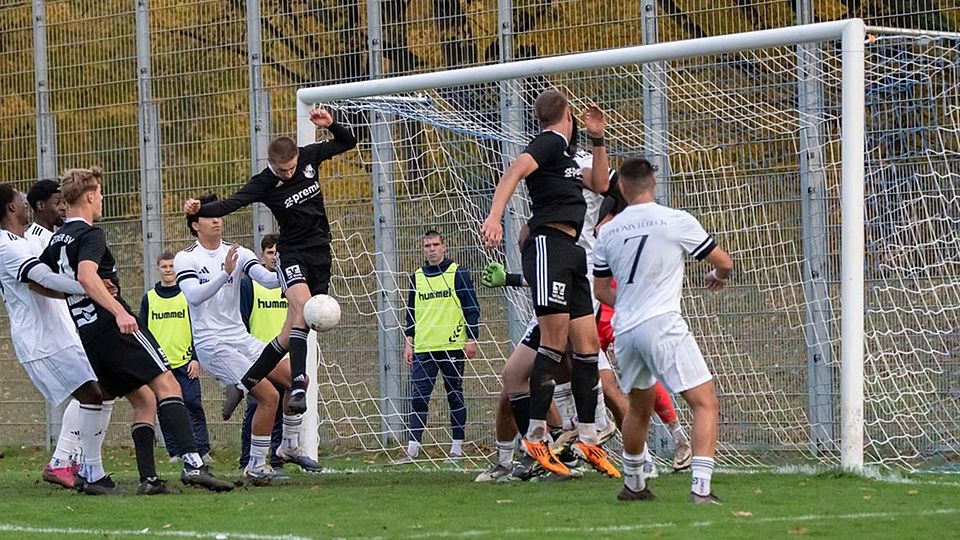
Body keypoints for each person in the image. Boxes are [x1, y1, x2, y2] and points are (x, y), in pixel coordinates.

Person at [40, 167, 233, 494]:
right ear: (89, 196)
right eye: (99, 194)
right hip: (113, 326)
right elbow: (88, 276)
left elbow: (38, 281)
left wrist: (76, 292)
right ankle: (194, 465)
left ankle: (148, 479)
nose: (101, 200)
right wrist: (116, 310)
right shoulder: (90, 234)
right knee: (167, 383)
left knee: (143, 399)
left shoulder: (58, 238)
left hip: (87, 333)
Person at [183, 107, 357, 417]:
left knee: (291, 332)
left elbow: (349, 142)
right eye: (283, 170)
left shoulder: (308, 157)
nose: (289, 174)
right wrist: (196, 210)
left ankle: (246, 380)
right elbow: (230, 203)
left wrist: (332, 125)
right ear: (271, 164)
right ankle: (300, 385)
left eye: (292, 168)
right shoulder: (263, 182)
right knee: (305, 310)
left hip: (320, 251)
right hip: (291, 252)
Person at [481, 89, 617, 479]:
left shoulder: (570, 154)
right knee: (554, 346)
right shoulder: (549, 141)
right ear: (567, 114)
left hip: (572, 251)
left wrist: (598, 138)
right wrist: (495, 216)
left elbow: (602, 184)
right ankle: (536, 436)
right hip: (549, 245)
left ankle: (589, 437)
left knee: (587, 349)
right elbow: (514, 171)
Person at [593, 157, 732, 503]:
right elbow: (724, 262)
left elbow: (599, 291)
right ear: (653, 184)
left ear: (621, 189)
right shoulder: (675, 220)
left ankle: (634, 485)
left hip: (624, 329)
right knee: (705, 403)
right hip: (662, 325)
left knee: (639, 407)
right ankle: (701, 489)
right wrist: (718, 276)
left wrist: (626, 301)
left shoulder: (608, 231)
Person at [175, 195, 324, 484]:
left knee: (297, 379)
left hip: (240, 339)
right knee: (268, 395)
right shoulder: (187, 257)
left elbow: (267, 280)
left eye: (219, 214)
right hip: (212, 345)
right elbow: (193, 296)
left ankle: (289, 445)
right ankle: (255, 465)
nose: (217, 219)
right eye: (209, 216)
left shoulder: (238, 251)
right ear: (195, 225)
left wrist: (291, 268)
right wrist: (224, 275)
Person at [0, 184, 118, 495]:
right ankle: (70, 465)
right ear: (12, 209)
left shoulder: (24, 241)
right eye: (21, 201)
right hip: (40, 340)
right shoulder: (5, 246)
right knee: (93, 394)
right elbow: (45, 280)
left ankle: (76, 462)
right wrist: (92, 288)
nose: (25, 205)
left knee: (102, 391)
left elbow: (52, 285)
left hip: (58, 333)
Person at [400, 230, 480, 462]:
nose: (432, 249)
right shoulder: (417, 276)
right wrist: (409, 343)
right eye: (427, 246)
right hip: (424, 347)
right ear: (423, 249)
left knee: (454, 395)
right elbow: (411, 313)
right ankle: (412, 448)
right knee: (418, 397)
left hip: (452, 345)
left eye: (436, 244)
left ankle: (456, 447)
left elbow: (471, 307)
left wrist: (472, 338)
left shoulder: (458, 273)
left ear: (444, 247)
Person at [139, 252, 212, 465]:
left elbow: (198, 328)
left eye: (172, 266)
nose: (168, 270)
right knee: (165, 408)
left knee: (192, 404)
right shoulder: (150, 298)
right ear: (158, 269)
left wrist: (195, 358)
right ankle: (175, 451)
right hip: (161, 364)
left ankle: (202, 449)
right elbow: (143, 330)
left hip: (185, 361)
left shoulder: (187, 296)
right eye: (164, 266)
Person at [238, 233, 285, 473]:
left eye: (278, 253)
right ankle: (247, 459)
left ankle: (276, 459)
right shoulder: (250, 284)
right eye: (270, 253)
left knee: (281, 409)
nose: (275, 257)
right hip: (258, 357)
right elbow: (242, 321)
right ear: (262, 255)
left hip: (284, 358)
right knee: (257, 406)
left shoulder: (290, 284)